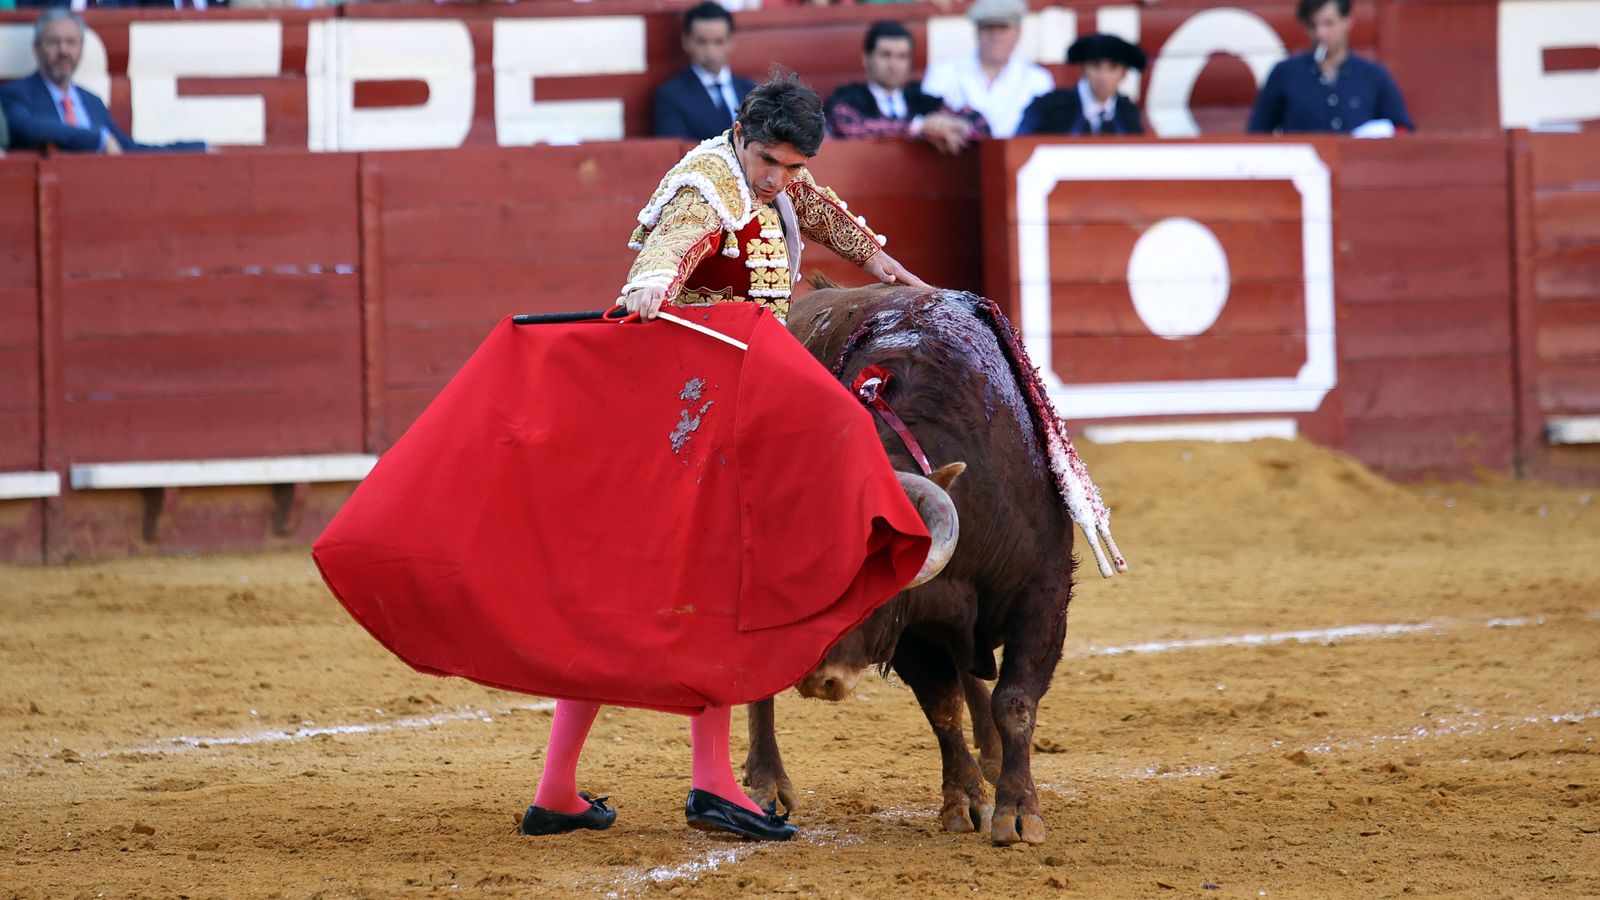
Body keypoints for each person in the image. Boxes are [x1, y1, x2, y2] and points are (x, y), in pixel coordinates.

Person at [520, 76, 925, 843]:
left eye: (792, 166)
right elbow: (674, 241)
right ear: (741, 135)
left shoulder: (773, 180)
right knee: (706, 590)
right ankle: (703, 783)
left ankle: (564, 791)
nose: (778, 179)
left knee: (648, 596)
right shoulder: (706, 183)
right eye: (769, 161)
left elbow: (820, 213)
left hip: (727, 416)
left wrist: (884, 267)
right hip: (690, 423)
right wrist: (650, 286)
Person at [1, 9, 206, 154]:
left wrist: (196, 148)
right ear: (36, 48)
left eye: (71, 42)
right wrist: (95, 139)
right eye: (54, 42)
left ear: (81, 49)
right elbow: (26, 128)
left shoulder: (92, 101)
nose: (63, 51)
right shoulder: (16, 93)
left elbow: (126, 149)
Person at [1246, 0, 1413, 135]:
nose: (1320, 34)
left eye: (1328, 24)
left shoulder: (1374, 76)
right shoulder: (1285, 74)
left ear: (1347, 22)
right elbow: (1257, 134)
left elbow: (1402, 130)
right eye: (1313, 26)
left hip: (1359, 164)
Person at [825, 20, 989, 155]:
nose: (894, 65)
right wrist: (919, 127)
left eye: (902, 56)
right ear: (866, 58)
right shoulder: (847, 99)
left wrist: (958, 126)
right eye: (886, 55)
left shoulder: (922, 100)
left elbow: (981, 124)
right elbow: (850, 128)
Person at [919, 0, 1053, 140]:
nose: (995, 36)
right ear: (977, 31)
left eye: (1003, 28)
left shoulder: (1037, 80)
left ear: (1018, 32)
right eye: (988, 28)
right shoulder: (943, 74)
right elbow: (924, 123)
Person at [653, 2, 758, 142]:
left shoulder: (751, 90)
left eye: (718, 42)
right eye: (702, 42)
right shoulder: (671, 95)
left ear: (730, 41)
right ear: (686, 41)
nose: (711, 52)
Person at [1017, 33, 1146, 136]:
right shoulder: (1048, 108)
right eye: (1096, 66)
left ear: (1123, 74)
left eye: (1112, 68)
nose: (1103, 76)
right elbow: (1022, 146)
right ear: (1083, 70)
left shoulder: (1129, 114)